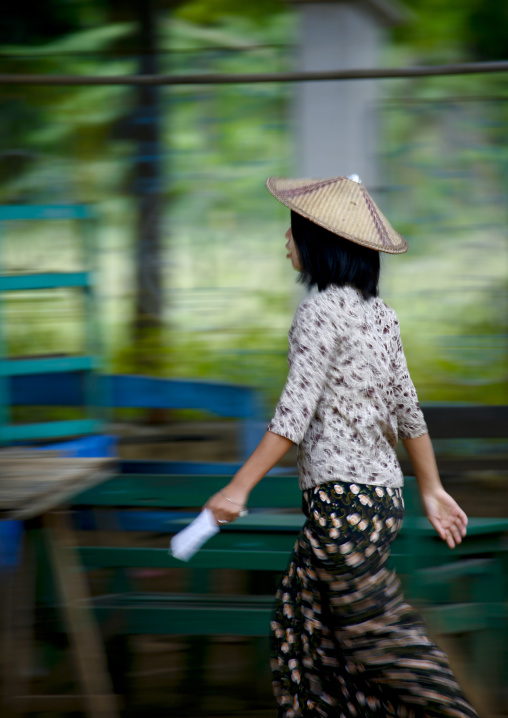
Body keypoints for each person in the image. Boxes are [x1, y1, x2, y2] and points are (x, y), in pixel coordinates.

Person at [206, 174, 479, 718]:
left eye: (293, 230)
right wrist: (430, 487)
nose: (286, 240)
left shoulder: (320, 312)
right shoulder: (381, 316)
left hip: (343, 507)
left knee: (378, 641)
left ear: (320, 241)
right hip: (380, 504)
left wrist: (238, 488)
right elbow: (409, 409)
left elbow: (293, 414)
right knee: (305, 629)